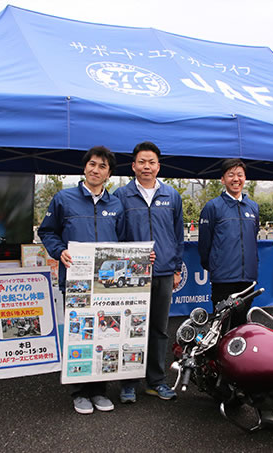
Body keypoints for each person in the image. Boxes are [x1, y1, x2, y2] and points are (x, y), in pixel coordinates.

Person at [38, 145, 124, 415]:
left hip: (108, 285)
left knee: (106, 334)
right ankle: (80, 392)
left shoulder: (116, 204)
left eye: (102, 166)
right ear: (84, 167)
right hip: (76, 281)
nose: (95, 170)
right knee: (80, 335)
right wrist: (58, 250)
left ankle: (99, 390)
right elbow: (47, 232)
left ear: (108, 174)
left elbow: (124, 243)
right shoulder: (64, 199)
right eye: (92, 164)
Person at [114, 141, 184, 403]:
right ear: (133, 166)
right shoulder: (121, 196)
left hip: (164, 273)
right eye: (142, 162)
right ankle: (128, 383)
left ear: (158, 166)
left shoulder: (172, 195)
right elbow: (116, 237)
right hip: (132, 276)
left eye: (151, 162)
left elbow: (178, 237)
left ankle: (156, 381)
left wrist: (176, 268)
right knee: (131, 329)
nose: (147, 166)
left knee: (159, 329)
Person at [198, 158, 260, 327]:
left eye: (239, 175)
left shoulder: (253, 207)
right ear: (223, 179)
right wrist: (214, 266)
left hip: (247, 278)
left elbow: (253, 236)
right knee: (221, 324)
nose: (236, 179)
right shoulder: (213, 207)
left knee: (242, 325)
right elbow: (204, 244)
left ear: (244, 178)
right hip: (223, 279)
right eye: (231, 175)